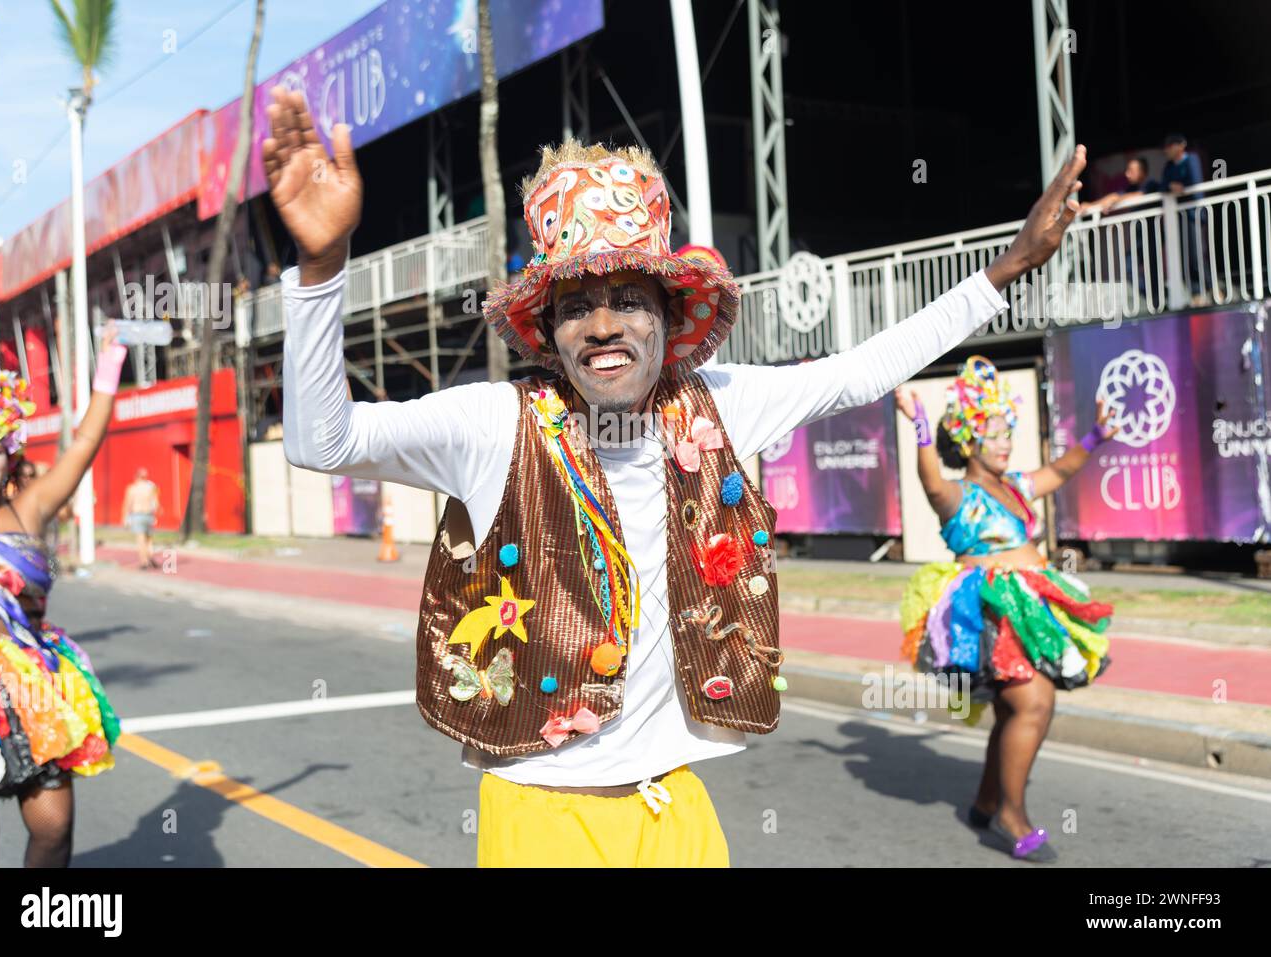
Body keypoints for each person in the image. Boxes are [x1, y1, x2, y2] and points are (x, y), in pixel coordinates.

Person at [268, 83, 1088, 867]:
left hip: (674, 808)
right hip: (542, 818)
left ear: (669, 315)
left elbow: (860, 371)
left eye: (628, 298)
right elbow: (322, 439)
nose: (602, 325)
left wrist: (1008, 268)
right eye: (574, 305)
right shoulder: (494, 425)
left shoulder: (718, 406)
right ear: (548, 331)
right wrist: (322, 267)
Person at [894, 358, 1118, 862]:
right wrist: (922, 425)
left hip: (1030, 607)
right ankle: (1008, 817)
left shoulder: (1014, 485)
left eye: (1007, 432)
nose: (1004, 442)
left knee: (1012, 708)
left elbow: (1060, 470)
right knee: (1032, 704)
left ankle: (987, 800)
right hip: (989, 613)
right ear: (970, 438)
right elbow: (931, 483)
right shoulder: (957, 494)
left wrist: (1095, 436)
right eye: (994, 433)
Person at [0, 331, 128, 866]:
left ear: (10, 450)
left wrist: (111, 361)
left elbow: (83, 444)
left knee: (53, 828)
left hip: (34, 680)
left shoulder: (31, 508)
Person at [1081, 156, 1163, 299]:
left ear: (1142, 172)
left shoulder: (1151, 185)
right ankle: (1155, 300)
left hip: (1152, 236)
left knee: (1152, 273)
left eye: (1131, 170)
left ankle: (1159, 300)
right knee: (1129, 269)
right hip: (1139, 238)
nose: (1127, 174)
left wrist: (1115, 201)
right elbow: (1113, 197)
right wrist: (1091, 206)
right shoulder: (1130, 188)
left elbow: (1138, 195)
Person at [1160, 133, 1211, 303]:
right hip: (1179, 217)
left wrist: (1179, 186)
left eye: (1170, 146)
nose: (1167, 150)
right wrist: (1170, 186)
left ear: (1181, 145)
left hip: (1193, 213)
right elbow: (1163, 185)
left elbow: (1194, 182)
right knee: (1186, 258)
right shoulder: (1168, 166)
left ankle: (1213, 288)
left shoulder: (1191, 159)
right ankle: (1196, 294)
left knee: (1196, 255)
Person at [121, 467, 160, 570]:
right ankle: (150, 557)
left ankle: (144, 562)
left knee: (141, 540)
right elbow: (155, 504)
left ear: (136, 476)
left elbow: (127, 504)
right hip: (149, 515)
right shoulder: (150, 488)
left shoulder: (132, 488)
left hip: (137, 515)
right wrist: (155, 514)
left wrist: (125, 518)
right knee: (149, 539)